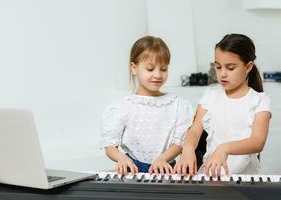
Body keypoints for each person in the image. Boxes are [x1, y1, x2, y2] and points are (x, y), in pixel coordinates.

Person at [174, 33, 271, 177]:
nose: (222, 74)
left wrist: (224, 148)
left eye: (230, 68)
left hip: (245, 178)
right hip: (212, 175)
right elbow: (195, 130)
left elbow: (258, 141)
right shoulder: (211, 95)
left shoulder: (259, 100)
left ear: (248, 66)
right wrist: (188, 149)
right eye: (218, 67)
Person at [100, 36, 193, 175]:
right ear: (134, 68)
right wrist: (122, 159)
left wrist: (162, 159)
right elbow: (110, 147)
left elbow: (179, 143)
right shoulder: (123, 106)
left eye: (163, 69)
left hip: (166, 170)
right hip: (132, 171)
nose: (157, 75)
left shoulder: (177, 105)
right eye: (150, 69)